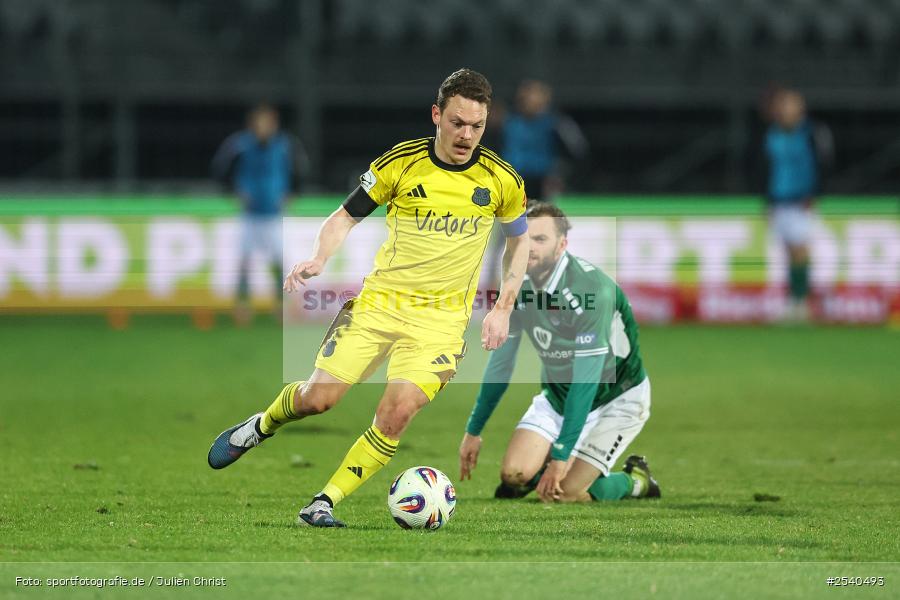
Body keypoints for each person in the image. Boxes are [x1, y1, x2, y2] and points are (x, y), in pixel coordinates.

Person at [207, 69, 531, 528]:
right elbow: (344, 216)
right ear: (437, 115)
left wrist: (502, 309)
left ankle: (324, 502)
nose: (466, 135)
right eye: (457, 122)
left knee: (396, 413)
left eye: (476, 126)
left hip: (440, 324)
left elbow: (520, 241)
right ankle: (262, 425)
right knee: (317, 400)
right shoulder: (402, 163)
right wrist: (320, 257)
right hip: (379, 307)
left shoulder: (502, 179)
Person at [459, 203, 660, 503]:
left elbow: (586, 381)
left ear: (562, 245)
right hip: (558, 397)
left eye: (541, 239)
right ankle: (537, 473)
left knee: (564, 493)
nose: (530, 246)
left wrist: (561, 455)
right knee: (513, 476)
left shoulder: (591, 291)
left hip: (616, 399)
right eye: (526, 238)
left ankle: (636, 481)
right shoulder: (517, 286)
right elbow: (501, 364)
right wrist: (473, 431)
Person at [211, 103, 309, 324]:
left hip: (275, 214)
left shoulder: (285, 145)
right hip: (250, 215)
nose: (264, 127)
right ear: (252, 124)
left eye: (269, 123)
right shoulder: (240, 145)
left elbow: (302, 169)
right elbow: (219, 168)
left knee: (280, 261)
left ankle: (281, 305)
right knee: (244, 261)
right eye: (260, 123)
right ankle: (242, 305)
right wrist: (233, 192)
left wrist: (293, 193)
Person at [764, 89, 833, 321]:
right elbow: (764, 168)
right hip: (779, 201)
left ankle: (802, 302)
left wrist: (815, 193)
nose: (786, 110)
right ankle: (792, 300)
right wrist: (768, 201)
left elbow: (825, 164)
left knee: (800, 251)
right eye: (783, 105)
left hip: (802, 201)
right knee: (787, 251)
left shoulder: (813, 133)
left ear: (800, 108)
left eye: (791, 105)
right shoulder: (771, 134)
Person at [500, 80, 588, 202]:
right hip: (513, 178)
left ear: (545, 99)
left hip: (544, 179)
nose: (527, 101)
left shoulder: (557, 123)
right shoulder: (507, 122)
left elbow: (578, 149)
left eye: (533, 96)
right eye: (524, 97)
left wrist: (560, 173)